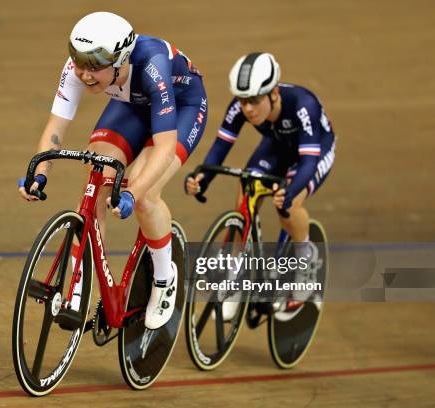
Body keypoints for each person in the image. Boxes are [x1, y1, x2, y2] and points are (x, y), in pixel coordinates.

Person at [19, 12, 208, 329]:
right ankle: (81, 282)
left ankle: (165, 278)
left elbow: (163, 147)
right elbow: (55, 128)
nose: (84, 74)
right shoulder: (76, 70)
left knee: (146, 195)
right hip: (131, 104)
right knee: (96, 179)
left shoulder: (153, 64)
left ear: (120, 61)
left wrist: (133, 192)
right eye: (79, 63)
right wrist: (39, 172)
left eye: (94, 67)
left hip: (182, 104)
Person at [185, 52, 335, 316]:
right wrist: (203, 177)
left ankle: (306, 258)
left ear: (274, 93)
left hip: (315, 151)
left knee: (287, 205)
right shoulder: (242, 106)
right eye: (243, 101)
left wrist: (289, 192)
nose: (248, 108)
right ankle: (235, 269)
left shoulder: (303, 105)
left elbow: (309, 163)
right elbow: (221, 146)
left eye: (254, 100)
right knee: (247, 187)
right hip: (277, 146)